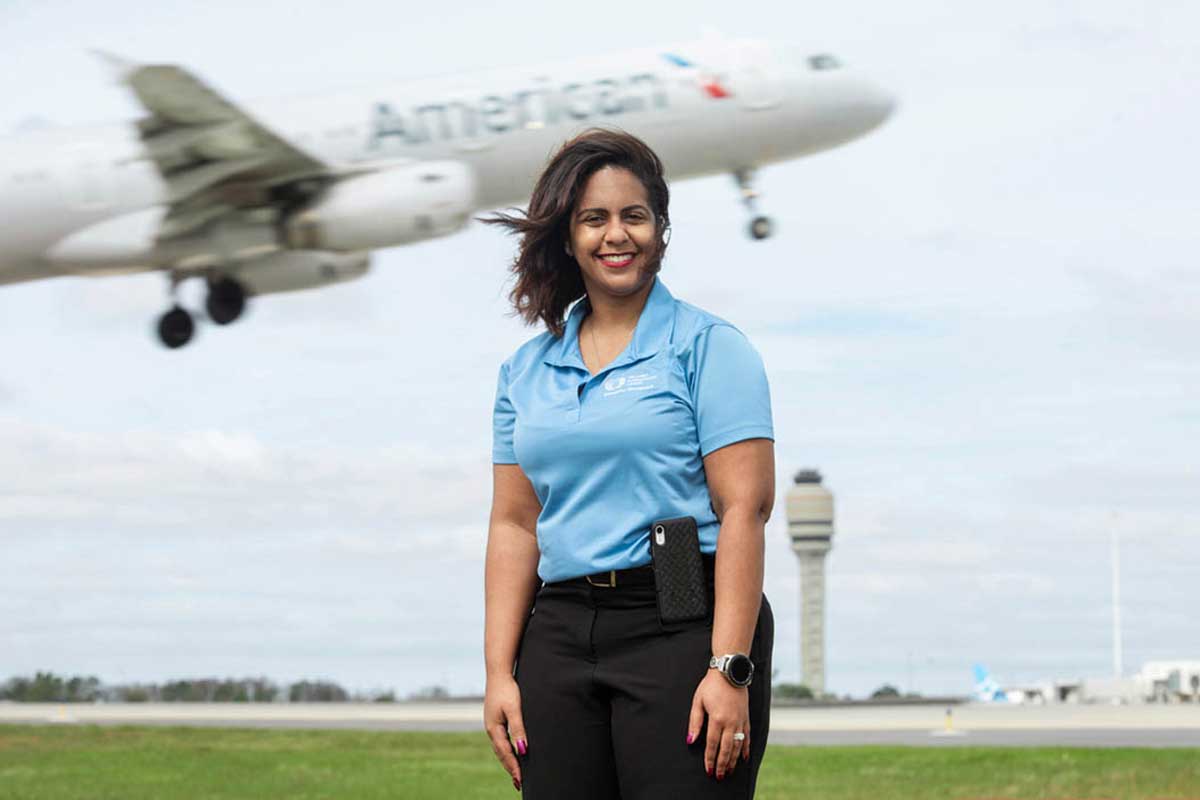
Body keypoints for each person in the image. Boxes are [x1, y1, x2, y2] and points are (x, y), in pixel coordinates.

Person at [481, 128, 775, 798]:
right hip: (557, 630)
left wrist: (729, 667)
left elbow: (745, 510)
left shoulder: (709, 346)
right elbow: (514, 526)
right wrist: (500, 672)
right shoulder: (523, 371)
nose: (617, 235)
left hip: (679, 617)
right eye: (595, 218)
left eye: (634, 215)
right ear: (568, 236)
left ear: (661, 230)